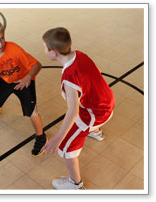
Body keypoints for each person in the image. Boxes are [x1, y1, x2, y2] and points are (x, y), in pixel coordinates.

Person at [41, 27, 115, 190]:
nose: (44, 50)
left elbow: (73, 112)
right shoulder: (80, 55)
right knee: (86, 110)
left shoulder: (69, 77)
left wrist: (57, 138)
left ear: (53, 53)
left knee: (67, 146)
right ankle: (95, 131)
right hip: (108, 101)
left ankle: (75, 185)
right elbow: (98, 73)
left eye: (45, 48)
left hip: (96, 114)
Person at [0, 19, 47, 157]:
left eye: (2, 39)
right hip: (5, 80)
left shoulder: (14, 49)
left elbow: (37, 65)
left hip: (23, 81)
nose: (0, 44)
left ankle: (40, 136)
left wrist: (28, 77)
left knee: (32, 112)